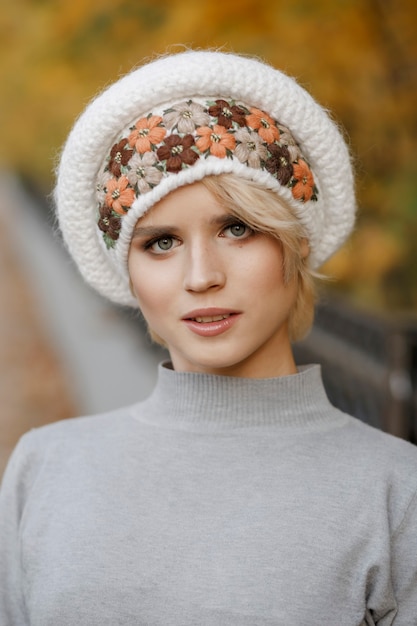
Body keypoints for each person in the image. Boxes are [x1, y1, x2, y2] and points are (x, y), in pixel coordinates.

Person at [0, 49, 416, 626]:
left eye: (237, 228)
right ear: (129, 272)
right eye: (160, 242)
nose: (201, 276)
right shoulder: (42, 470)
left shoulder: (396, 494)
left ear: (295, 243)